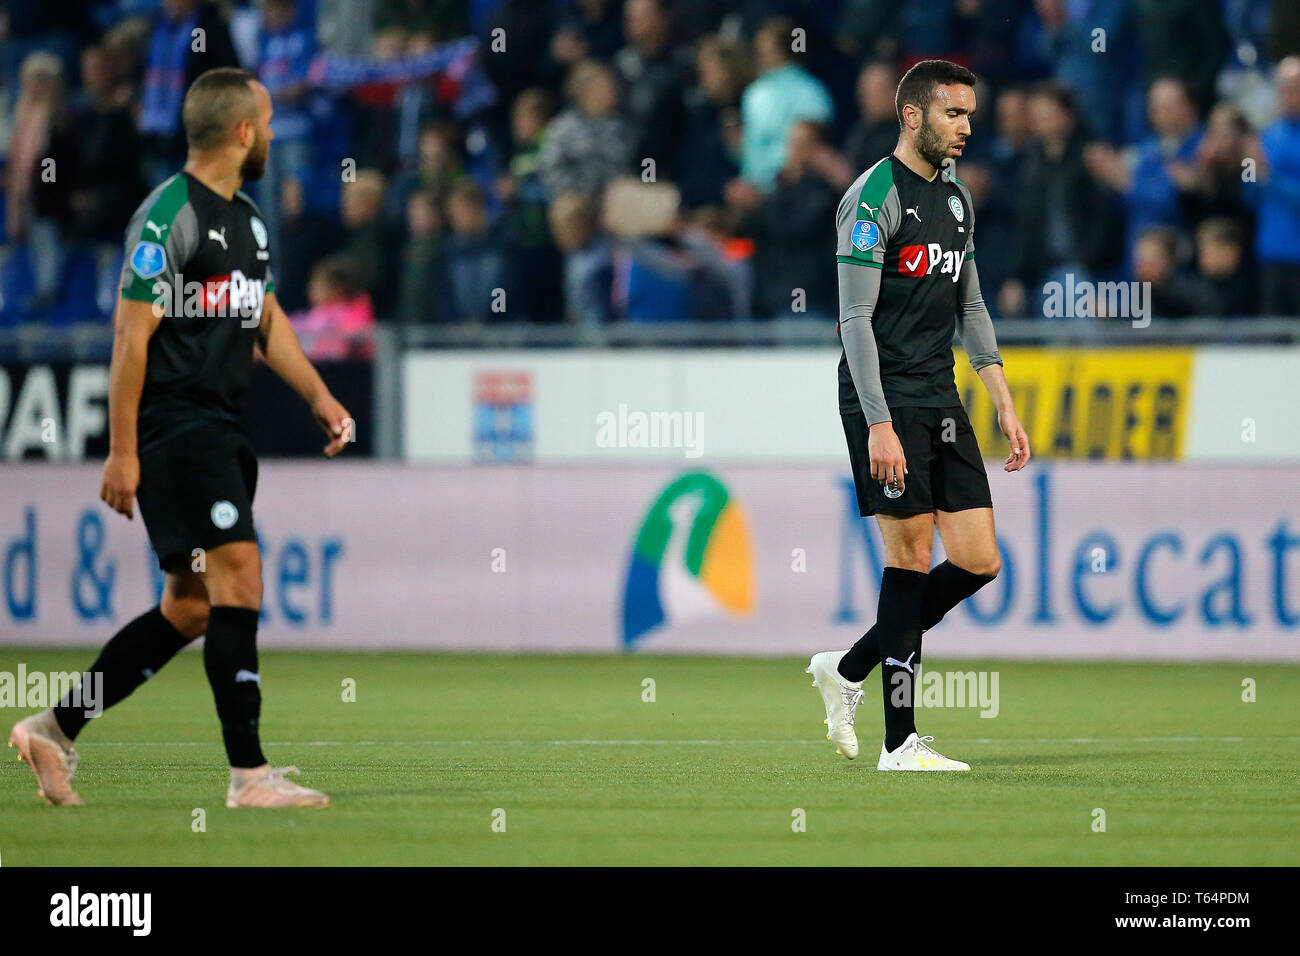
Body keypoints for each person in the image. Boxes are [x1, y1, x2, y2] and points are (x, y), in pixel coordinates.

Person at [8, 68, 352, 809]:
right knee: (241, 581)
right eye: (264, 120)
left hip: (221, 427)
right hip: (178, 430)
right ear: (242, 133)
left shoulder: (248, 220)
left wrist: (320, 393)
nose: (268, 133)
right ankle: (250, 778)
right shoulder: (168, 216)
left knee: (192, 607)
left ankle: (51, 728)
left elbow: (264, 317)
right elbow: (131, 338)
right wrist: (122, 448)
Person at [807, 59, 1031, 772]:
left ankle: (847, 669)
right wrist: (876, 422)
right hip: (886, 396)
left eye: (969, 114)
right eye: (952, 114)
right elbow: (853, 319)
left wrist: (1000, 394)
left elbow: (969, 303)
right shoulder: (873, 198)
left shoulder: (958, 198)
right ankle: (900, 742)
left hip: (941, 393)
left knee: (978, 560)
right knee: (908, 558)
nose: (966, 127)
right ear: (913, 117)